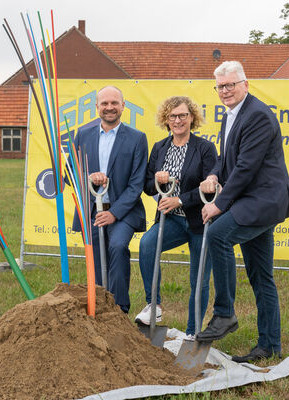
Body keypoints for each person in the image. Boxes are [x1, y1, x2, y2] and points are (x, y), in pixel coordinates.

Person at [197, 61, 289, 362]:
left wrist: (218, 204)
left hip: (263, 201)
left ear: (245, 85)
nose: (225, 91)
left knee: (218, 234)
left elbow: (246, 167)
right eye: (221, 86)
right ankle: (269, 346)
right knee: (261, 275)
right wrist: (214, 174)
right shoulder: (232, 115)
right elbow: (228, 159)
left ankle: (225, 313)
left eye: (231, 85)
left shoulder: (258, 116)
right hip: (251, 200)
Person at [134, 96, 217, 341]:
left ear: (192, 117)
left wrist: (180, 200)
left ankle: (193, 333)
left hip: (201, 221)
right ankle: (154, 306)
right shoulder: (160, 148)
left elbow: (210, 188)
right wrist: (157, 181)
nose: (178, 120)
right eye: (173, 116)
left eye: (182, 115)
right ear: (166, 120)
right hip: (171, 221)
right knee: (147, 245)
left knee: (199, 278)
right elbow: (148, 186)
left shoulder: (205, 149)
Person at [71, 86, 148, 313]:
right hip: (93, 210)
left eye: (114, 103)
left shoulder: (136, 139)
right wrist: (88, 178)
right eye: (104, 103)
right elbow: (70, 174)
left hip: (123, 211)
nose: (109, 107)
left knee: (117, 246)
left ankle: (120, 308)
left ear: (123, 106)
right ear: (97, 107)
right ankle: (98, 307)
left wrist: (114, 213)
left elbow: (136, 184)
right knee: (94, 256)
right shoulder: (83, 135)